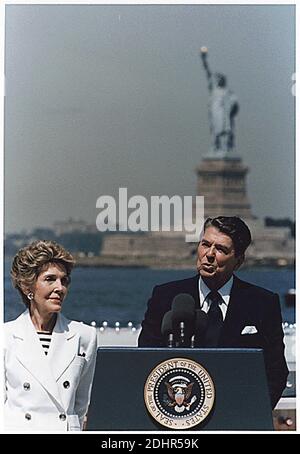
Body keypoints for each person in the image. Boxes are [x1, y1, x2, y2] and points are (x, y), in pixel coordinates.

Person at [138, 216, 289, 409]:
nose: (209, 254)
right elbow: (145, 360)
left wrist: (252, 415)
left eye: (220, 249)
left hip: (237, 416)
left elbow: (275, 371)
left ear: (238, 260)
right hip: (177, 416)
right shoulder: (166, 297)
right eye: (205, 244)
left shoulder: (262, 303)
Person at [4, 240, 98, 431]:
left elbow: (82, 404)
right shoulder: (5, 336)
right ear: (27, 287)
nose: (60, 288)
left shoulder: (84, 336)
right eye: (50, 279)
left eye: (64, 280)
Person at [200, 47, 239, 152]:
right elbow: (207, 72)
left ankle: (227, 147)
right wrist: (204, 59)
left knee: (227, 130)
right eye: (216, 79)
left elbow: (235, 103)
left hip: (224, 113)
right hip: (215, 113)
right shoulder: (214, 89)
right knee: (215, 131)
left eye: (219, 79)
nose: (217, 80)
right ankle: (215, 147)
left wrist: (232, 109)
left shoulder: (227, 91)